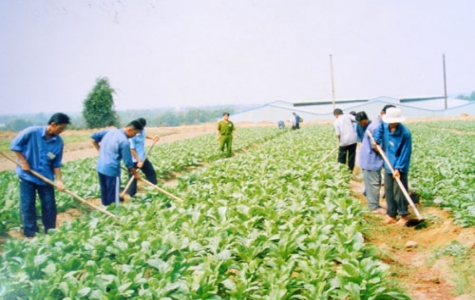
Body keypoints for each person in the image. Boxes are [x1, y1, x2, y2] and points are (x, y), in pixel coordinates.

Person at [10, 112, 71, 238]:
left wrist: (59, 181)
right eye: (60, 128)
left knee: (49, 206)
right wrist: (23, 161)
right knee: (28, 206)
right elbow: (15, 146)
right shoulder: (31, 132)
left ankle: (50, 233)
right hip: (27, 176)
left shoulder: (58, 142)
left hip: (46, 178)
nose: (62, 131)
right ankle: (30, 234)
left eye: (63, 129)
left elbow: (56, 163)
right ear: (53, 124)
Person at [373, 107, 412, 225]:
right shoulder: (384, 126)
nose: (391, 124)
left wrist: (398, 168)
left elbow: (406, 152)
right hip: (388, 162)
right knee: (389, 190)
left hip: (400, 165)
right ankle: (391, 215)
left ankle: (404, 215)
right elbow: (379, 131)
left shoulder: (405, 133)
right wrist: (376, 140)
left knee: (399, 191)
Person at [95, 121, 143, 206]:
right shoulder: (124, 142)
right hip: (111, 170)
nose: (134, 136)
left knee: (105, 192)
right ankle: (113, 214)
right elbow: (128, 162)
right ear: (129, 130)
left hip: (100, 167)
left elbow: (93, 138)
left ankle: (105, 213)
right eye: (135, 133)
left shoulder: (110, 131)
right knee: (113, 195)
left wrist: (99, 151)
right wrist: (135, 174)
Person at [359, 105, 395, 214]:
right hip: (371, 159)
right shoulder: (376, 126)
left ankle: (373, 203)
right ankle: (374, 207)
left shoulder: (381, 124)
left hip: (373, 159)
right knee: (374, 183)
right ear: (382, 113)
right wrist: (387, 156)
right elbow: (375, 147)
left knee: (374, 182)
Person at [126, 118, 159, 198]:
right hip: (134, 160)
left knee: (151, 173)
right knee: (133, 178)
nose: (142, 130)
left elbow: (144, 135)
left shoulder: (142, 130)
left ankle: (154, 191)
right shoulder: (131, 136)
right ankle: (132, 197)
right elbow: (132, 149)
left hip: (143, 158)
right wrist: (138, 161)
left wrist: (152, 138)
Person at [333, 108, 357, 172]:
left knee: (341, 158)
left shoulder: (336, 121)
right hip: (353, 140)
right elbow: (356, 119)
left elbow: (338, 134)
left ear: (336, 114)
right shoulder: (348, 116)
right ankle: (350, 171)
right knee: (351, 157)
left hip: (344, 142)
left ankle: (342, 171)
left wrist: (339, 142)